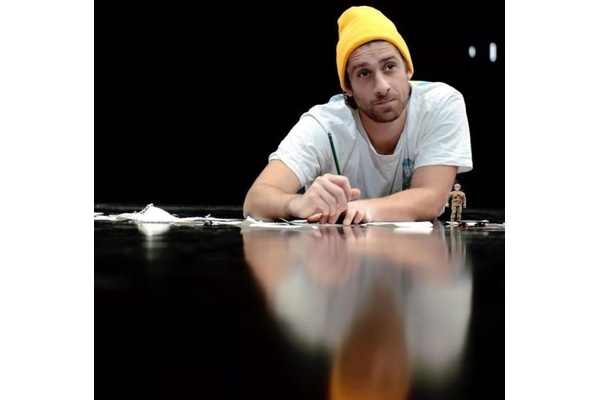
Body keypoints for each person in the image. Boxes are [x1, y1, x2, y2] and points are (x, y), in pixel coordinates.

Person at [243, 5, 473, 225]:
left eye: (389, 66)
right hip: (335, 250)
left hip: (415, 251)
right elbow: (255, 201)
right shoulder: (325, 125)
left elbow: (431, 198)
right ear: (348, 88)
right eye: (364, 73)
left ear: (407, 69)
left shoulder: (440, 104)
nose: (381, 86)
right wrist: (297, 204)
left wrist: (364, 209)